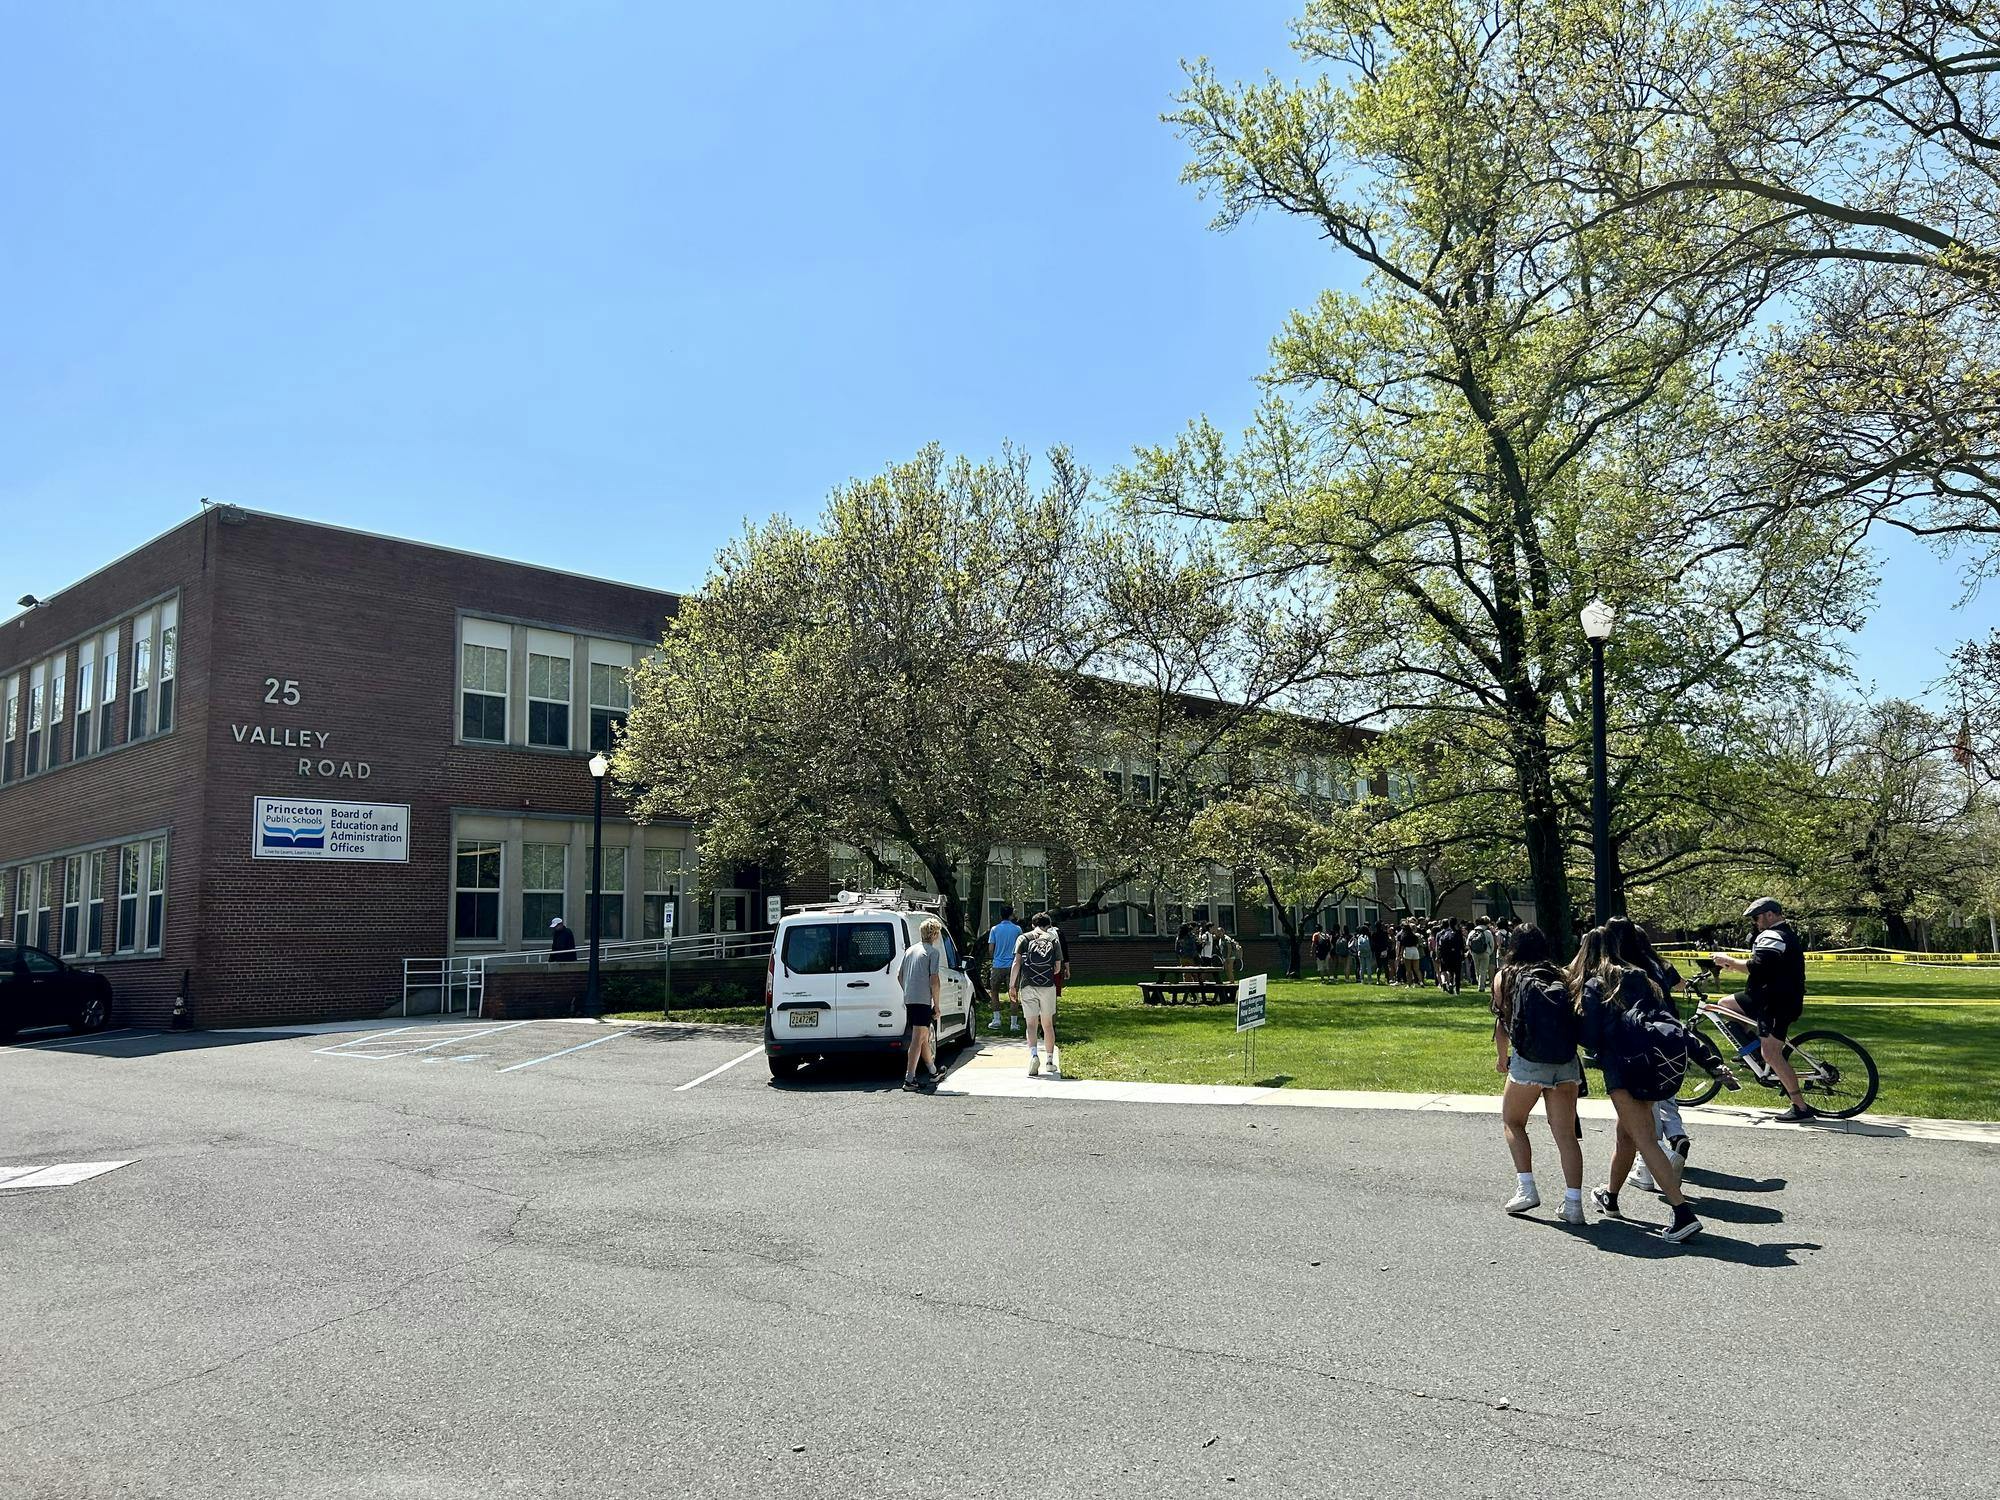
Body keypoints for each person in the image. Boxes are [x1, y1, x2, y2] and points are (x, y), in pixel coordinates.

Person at [1572, 925, 1704, 1242]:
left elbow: (1589, 1035)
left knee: (1644, 1139)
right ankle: (1611, 1196)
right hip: (1648, 1063)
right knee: (1626, 1136)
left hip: (1621, 1069)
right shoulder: (1637, 976)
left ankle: (1682, 1212)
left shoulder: (1595, 984)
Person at [1612, 918, 1736, 1192]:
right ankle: (1676, 1137)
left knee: (1645, 1111)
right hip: (1671, 1032)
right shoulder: (1658, 964)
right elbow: (1680, 985)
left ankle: (1653, 1163)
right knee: (1664, 1099)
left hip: (1641, 1041)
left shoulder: (1624, 971)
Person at [1491, 924, 1585, 1223]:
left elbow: (1502, 1022)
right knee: (1566, 1136)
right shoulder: (1562, 975)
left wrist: (1502, 1057)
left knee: (1513, 1121)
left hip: (1529, 1060)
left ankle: (1526, 1188)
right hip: (1565, 1061)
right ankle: (1573, 1203)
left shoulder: (1506, 976)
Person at [1709, 897, 1814, 1121]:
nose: (1755, 923)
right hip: (1763, 997)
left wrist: (1729, 961)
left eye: (1756, 918)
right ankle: (1754, 1053)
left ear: (1769, 915)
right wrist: (1733, 964)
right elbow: (1764, 966)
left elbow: (1759, 967)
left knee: (1772, 1054)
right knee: (1725, 1005)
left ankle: (1800, 1108)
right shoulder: (1780, 934)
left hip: (1776, 1003)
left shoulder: (1773, 934)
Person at [1010, 911, 1068, 1078]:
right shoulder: (1053, 939)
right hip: (1047, 986)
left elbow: (1016, 963)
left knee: (1031, 1024)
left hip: (1027, 985)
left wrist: (1012, 985)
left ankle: (1034, 1056)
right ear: (1048, 925)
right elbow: (1057, 968)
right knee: (1047, 1024)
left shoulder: (1024, 938)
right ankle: (1050, 1061)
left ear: (1033, 924)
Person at [898, 916, 945, 1092]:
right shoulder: (933, 953)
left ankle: (933, 1071)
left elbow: (899, 975)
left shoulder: (910, 950)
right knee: (918, 1038)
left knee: (923, 1035)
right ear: (934, 934)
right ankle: (909, 1079)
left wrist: (908, 991)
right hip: (922, 999)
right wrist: (937, 1005)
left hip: (910, 998)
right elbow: (934, 980)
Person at [984, 905, 1023, 1035]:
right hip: (1012, 965)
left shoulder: (994, 929)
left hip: (998, 965)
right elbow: (1021, 948)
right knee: (1013, 993)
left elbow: (990, 949)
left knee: (994, 992)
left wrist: (995, 956)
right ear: (1011, 915)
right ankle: (1013, 1023)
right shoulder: (1017, 929)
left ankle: (996, 1019)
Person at [1436, 919, 1465, 996]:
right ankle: (1457, 989)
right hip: (1457, 954)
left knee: (1451, 972)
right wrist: (1463, 953)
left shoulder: (1445, 933)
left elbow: (1441, 946)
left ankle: (1451, 983)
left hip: (1448, 956)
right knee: (1458, 973)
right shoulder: (1458, 933)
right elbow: (1462, 945)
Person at [1467, 917, 1493, 991]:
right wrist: (1489, 952)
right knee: (1483, 970)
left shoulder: (1472, 932)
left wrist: (1472, 952)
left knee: (1477, 970)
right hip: (1485, 953)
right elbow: (1492, 944)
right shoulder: (1488, 932)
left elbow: (1468, 943)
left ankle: (1480, 984)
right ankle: (1481, 986)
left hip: (1475, 953)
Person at [1370, 922, 1393, 986]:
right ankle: (1388, 980)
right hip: (1384, 950)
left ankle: (1378, 980)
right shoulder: (1385, 933)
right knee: (1386, 966)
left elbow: (1372, 944)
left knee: (1379, 966)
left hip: (1377, 951)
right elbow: (1388, 942)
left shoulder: (1374, 934)